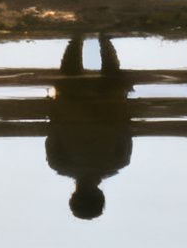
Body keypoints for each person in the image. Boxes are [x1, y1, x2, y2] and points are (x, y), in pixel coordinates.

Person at [44, 35, 135, 220]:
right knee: (66, 95)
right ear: (73, 196)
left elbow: (126, 127)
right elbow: (52, 129)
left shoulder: (119, 162)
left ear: (101, 195)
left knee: (113, 94)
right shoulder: (58, 163)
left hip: (110, 93)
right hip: (71, 95)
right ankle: (77, 40)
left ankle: (103, 39)